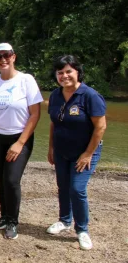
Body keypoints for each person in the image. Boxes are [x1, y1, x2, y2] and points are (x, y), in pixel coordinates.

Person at [0, 43, 43, 239]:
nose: (3, 60)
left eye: (7, 55)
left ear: (14, 57)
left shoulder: (26, 80)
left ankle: (13, 221)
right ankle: (4, 215)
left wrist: (20, 143)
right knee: (0, 177)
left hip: (19, 137)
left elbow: (35, 114)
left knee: (12, 180)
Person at [46, 55, 106, 250]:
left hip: (85, 152)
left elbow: (100, 127)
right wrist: (51, 147)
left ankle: (82, 230)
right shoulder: (55, 95)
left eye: (69, 71)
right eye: (60, 72)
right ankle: (64, 221)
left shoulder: (90, 96)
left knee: (77, 189)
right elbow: (54, 123)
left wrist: (88, 153)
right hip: (62, 150)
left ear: (78, 72)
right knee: (63, 186)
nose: (64, 76)